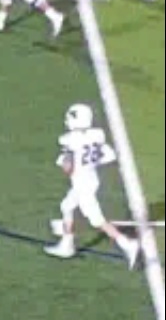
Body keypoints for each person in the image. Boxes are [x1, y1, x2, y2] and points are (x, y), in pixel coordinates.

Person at [44, 103, 141, 267]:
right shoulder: (97, 135)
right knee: (66, 206)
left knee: (97, 221)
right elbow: (108, 155)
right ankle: (67, 244)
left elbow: (68, 168)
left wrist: (66, 159)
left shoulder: (69, 140)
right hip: (91, 178)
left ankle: (127, 244)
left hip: (82, 184)